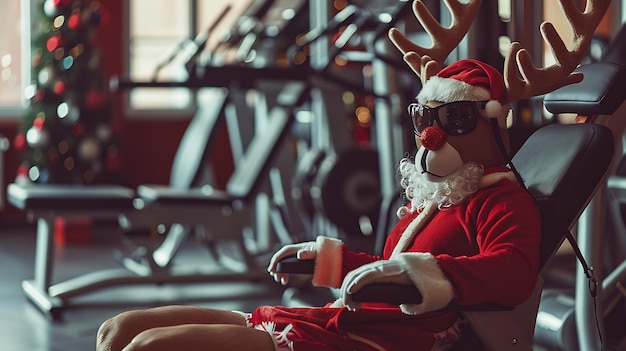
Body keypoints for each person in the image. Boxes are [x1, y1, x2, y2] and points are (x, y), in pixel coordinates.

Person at [95, 4, 549, 351]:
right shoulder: (434, 199)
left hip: (376, 339)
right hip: (339, 318)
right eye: (424, 117)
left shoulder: (500, 202)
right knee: (116, 329)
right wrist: (328, 260)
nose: (430, 133)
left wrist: (422, 274)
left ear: (491, 124)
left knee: (148, 347)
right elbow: (382, 275)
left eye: (455, 118)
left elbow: (513, 274)